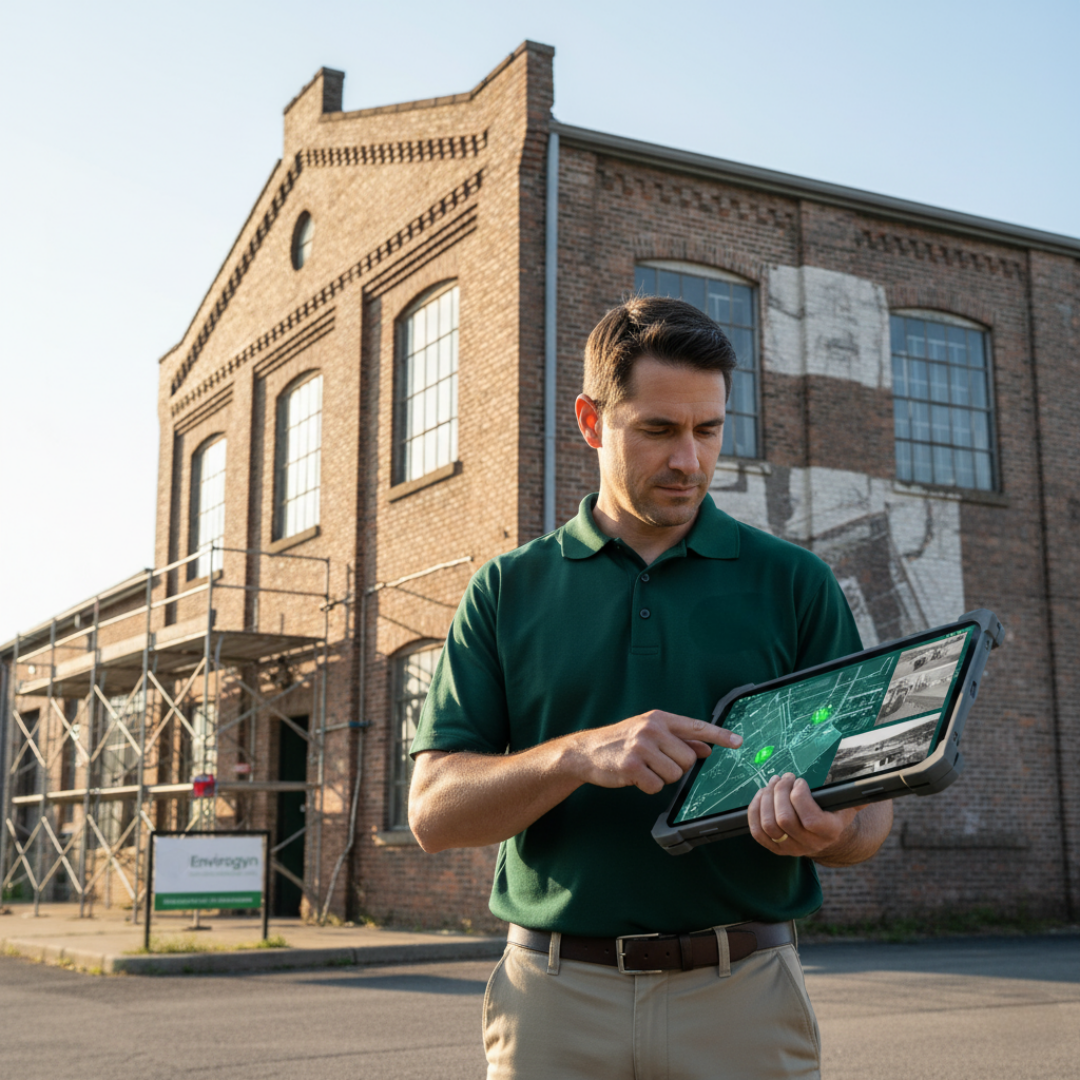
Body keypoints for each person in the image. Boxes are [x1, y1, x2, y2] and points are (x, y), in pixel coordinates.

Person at [409, 295, 893, 1079]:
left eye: (709, 430)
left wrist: (828, 833)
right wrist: (574, 756)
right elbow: (431, 813)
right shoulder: (506, 589)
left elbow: (870, 814)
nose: (689, 461)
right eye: (659, 430)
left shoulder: (797, 585)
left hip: (744, 997)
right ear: (592, 422)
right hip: (554, 1004)